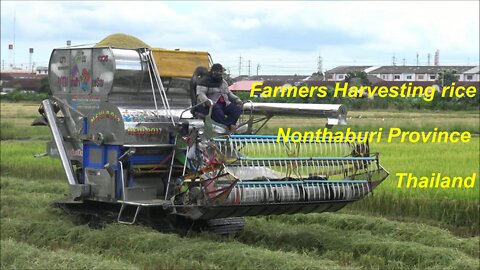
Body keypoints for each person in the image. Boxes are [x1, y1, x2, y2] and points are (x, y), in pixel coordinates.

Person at [196, 63, 242, 131]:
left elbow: (229, 93)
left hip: (225, 104)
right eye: (216, 71)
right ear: (212, 71)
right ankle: (228, 127)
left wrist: (237, 99)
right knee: (217, 109)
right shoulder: (204, 81)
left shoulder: (223, 82)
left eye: (220, 71)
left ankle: (228, 125)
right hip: (209, 105)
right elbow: (201, 94)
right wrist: (207, 101)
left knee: (237, 109)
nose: (218, 73)